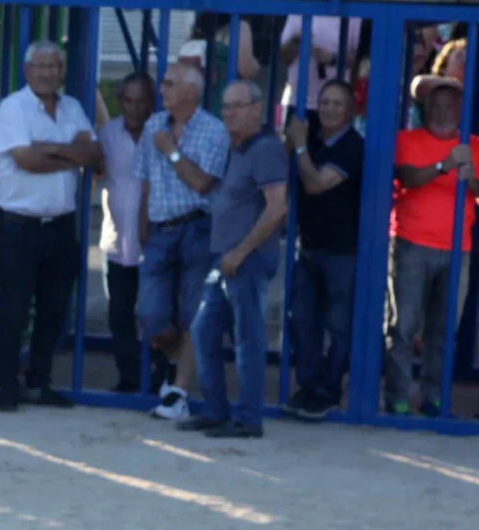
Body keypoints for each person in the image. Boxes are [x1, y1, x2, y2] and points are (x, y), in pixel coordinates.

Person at [0, 39, 96, 413]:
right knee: (12, 310)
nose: (49, 73)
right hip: (18, 226)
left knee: (53, 309)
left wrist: (50, 148)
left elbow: (92, 153)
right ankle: (6, 384)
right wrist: (69, 154)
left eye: (55, 66)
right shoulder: (12, 108)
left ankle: (39, 380)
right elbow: (26, 160)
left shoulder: (73, 107)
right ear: (27, 70)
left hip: (61, 226)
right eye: (42, 66)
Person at [183, 82, 287, 440]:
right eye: (225, 107)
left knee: (247, 337)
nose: (229, 113)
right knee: (204, 331)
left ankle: (248, 419)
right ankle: (216, 411)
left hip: (247, 259)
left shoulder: (266, 149)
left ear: (257, 109)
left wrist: (242, 251)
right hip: (226, 258)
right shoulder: (237, 149)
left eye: (238, 106)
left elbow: (277, 207)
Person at [382, 79, 479, 417]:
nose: (442, 111)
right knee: (403, 325)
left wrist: (468, 172)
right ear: (425, 109)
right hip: (411, 242)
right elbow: (407, 179)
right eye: (436, 105)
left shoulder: (475, 145)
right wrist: (445, 165)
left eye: (449, 105)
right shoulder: (407, 140)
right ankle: (397, 396)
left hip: (459, 247)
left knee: (443, 330)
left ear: (460, 110)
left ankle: (434, 398)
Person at [135, 60, 228, 423]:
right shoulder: (153, 126)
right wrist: (142, 225)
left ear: (192, 92)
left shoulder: (212, 131)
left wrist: (171, 150)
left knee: (194, 313)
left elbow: (203, 183)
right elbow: (144, 179)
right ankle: (177, 366)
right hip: (160, 229)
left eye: (171, 84)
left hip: (197, 228)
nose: (163, 90)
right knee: (151, 314)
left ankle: (179, 390)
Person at [281, 76, 362, 420]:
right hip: (309, 245)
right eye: (324, 101)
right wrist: (294, 143)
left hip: (342, 249)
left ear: (349, 111)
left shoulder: (353, 146)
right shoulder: (313, 137)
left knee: (339, 324)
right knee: (301, 319)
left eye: (336, 103)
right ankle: (309, 387)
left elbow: (314, 184)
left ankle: (328, 391)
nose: (328, 109)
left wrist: (298, 148)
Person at [92, 71, 153, 396]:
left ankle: (159, 377)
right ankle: (129, 378)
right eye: (128, 100)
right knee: (119, 313)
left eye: (142, 100)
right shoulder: (107, 134)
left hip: (157, 241)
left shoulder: (162, 133)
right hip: (116, 241)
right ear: (119, 101)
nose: (134, 107)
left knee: (156, 313)